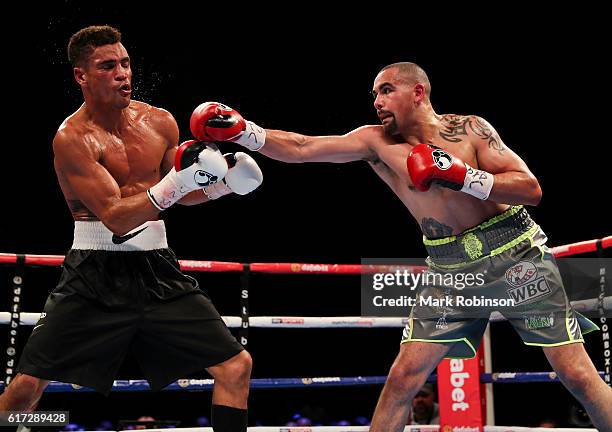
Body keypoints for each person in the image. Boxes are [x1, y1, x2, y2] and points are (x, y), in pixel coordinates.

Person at [188, 62, 612, 431]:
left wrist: (462, 175)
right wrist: (244, 132)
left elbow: (530, 188)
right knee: (404, 378)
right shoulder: (375, 141)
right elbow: (303, 148)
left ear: (418, 91)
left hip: (515, 255)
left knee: (575, 374)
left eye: (386, 90)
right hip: (450, 270)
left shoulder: (469, 129)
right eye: (374, 93)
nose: (377, 100)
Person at [0, 25, 262, 432]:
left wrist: (224, 186)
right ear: (81, 76)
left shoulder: (159, 122)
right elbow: (116, 216)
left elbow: (177, 194)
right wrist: (182, 180)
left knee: (235, 366)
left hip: (157, 268)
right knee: (25, 389)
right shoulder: (73, 138)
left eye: (125, 63)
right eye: (108, 66)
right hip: (93, 271)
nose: (123, 73)